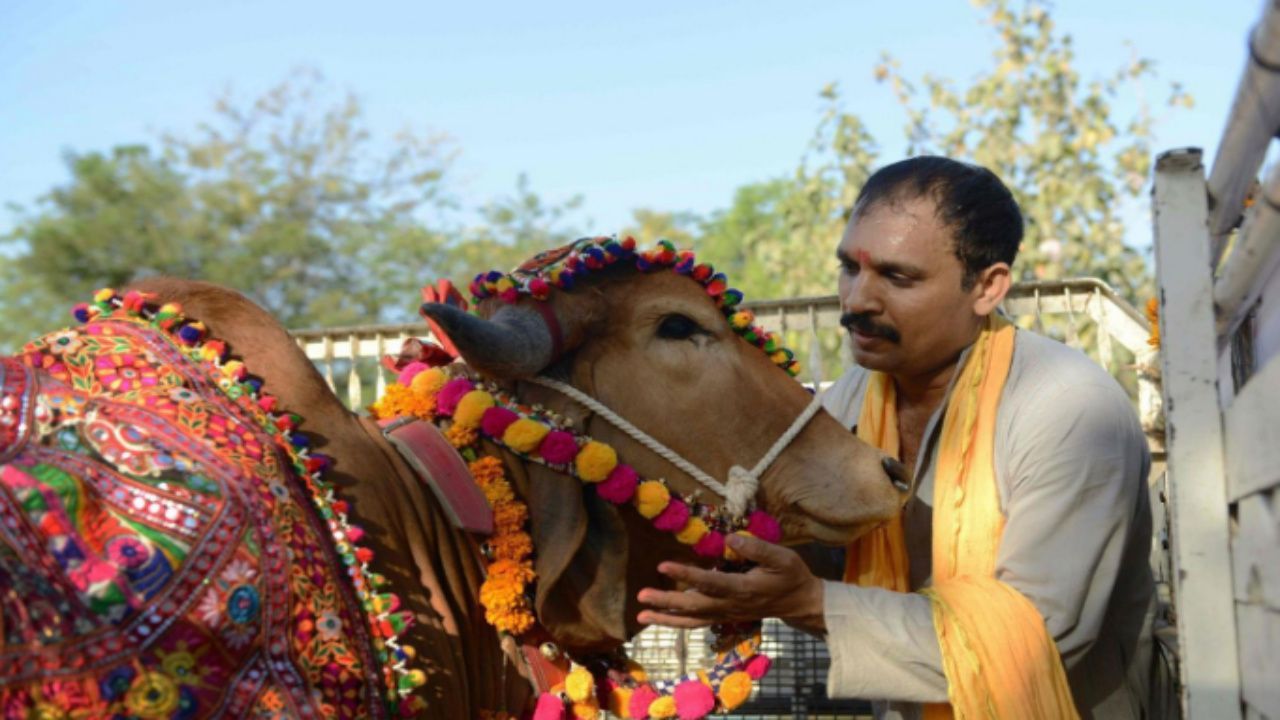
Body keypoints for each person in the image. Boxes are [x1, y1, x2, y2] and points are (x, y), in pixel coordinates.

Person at [637, 156, 1155, 719]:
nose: (858, 300)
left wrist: (811, 603)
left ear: (987, 287)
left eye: (897, 276)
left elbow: (1040, 638)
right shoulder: (847, 403)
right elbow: (799, 538)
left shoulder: (1068, 407)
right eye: (849, 269)